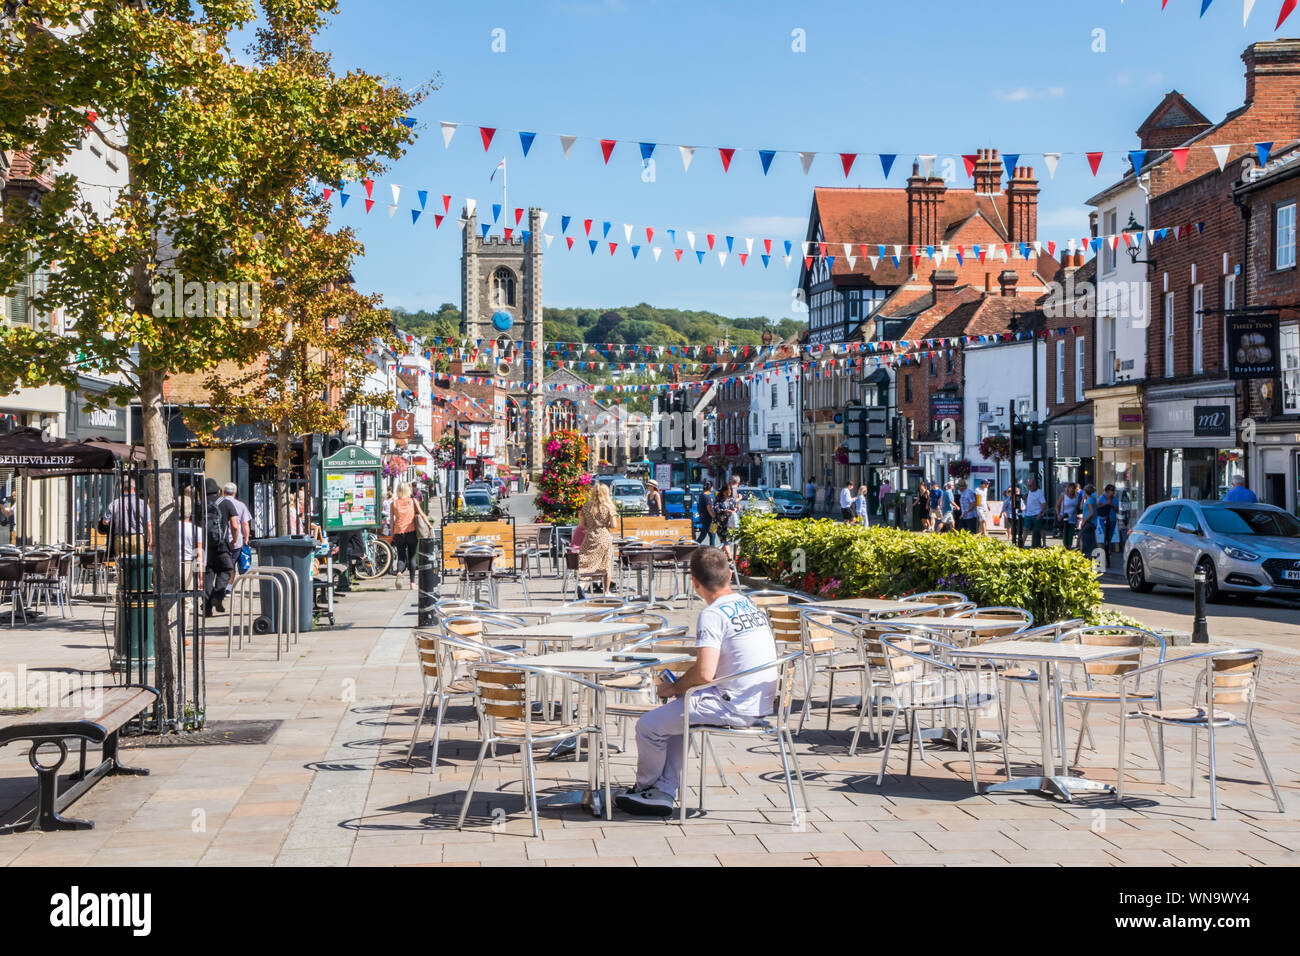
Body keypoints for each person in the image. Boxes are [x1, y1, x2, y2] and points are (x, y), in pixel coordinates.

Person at [615, 547, 778, 817]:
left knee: (648, 726)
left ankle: (646, 787)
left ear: (694, 583)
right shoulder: (749, 604)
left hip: (733, 706)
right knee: (681, 712)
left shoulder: (713, 614)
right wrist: (682, 690)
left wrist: (673, 686)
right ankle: (664, 790)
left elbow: (704, 673)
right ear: (728, 575)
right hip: (759, 702)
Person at [202, 478, 238, 616]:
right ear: (219, 490)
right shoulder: (226, 503)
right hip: (222, 545)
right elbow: (234, 526)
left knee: (208, 574)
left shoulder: (199, 504)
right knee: (227, 569)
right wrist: (234, 541)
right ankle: (217, 596)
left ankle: (206, 607)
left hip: (204, 546)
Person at [576, 482, 617, 598]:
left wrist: (591, 526)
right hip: (604, 536)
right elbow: (614, 525)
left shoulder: (587, 506)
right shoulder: (609, 507)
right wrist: (604, 524)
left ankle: (582, 583)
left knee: (586, 562)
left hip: (589, 536)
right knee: (606, 564)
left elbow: (581, 525)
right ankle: (606, 591)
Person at [100, 476, 153, 557]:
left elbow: (105, 521)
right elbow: (149, 524)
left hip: (120, 538)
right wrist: (150, 539)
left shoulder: (115, 503)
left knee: (122, 566)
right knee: (138, 566)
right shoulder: (141, 503)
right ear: (134, 488)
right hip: (137, 538)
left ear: (122, 489)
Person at [390, 482, 424, 590]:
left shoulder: (394, 503)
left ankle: (399, 572)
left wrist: (392, 534)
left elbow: (391, 521)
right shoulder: (412, 501)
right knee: (412, 557)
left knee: (401, 557)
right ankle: (412, 583)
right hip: (411, 532)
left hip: (399, 532)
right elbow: (422, 514)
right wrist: (429, 525)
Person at [222, 482, 252, 574]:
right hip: (236, 541)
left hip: (222, 539)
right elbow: (245, 524)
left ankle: (223, 585)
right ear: (235, 493)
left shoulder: (219, 504)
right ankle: (229, 587)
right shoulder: (241, 505)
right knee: (232, 566)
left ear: (224, 492)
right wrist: (246, 539)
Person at [715, 483, 738, 554]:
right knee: (724, 541)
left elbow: (737, 507)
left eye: (730, 492)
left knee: (726, 542)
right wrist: (726, 511)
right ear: (723, 492)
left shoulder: (732, 500)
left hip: (730, 525)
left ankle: (722, 557)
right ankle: (729, 557)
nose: (728, 493)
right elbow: (717, 509)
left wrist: (735, 510)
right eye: (727, 492)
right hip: (720, 525)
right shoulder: (718, 500)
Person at [1023, 476, 1046, 548]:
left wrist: (1040, 513)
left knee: (1039, 529)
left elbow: (1044, 503)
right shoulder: (1029, 492)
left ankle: (1044, 543)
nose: (1029, 487)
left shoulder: (1039, 493)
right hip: (1028, 514)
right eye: (1028, 486)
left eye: (1030, 485)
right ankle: (1022, 544)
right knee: (1025, 529)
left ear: (1034, 485)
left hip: (1036, 514)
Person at [1078, 483, 1099, 559]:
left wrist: (1084, 521)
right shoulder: (1089, 499)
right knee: (1090, 540)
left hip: (1089, 522)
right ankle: (1093, 557)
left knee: (1086, 541)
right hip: (1090, 522)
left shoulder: (1090, 500)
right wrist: (1083, 498)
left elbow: (1091, 512)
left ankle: (1087, 557)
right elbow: (1081, 507)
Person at [1058, 481, 1079, 550]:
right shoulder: (1063, 495)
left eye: (1073, 488)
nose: (1072, 490)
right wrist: (1058, 514)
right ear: (1068, 488)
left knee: (1071, 533)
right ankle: (1065, 546)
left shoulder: (1076, 496)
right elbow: (1057, 505)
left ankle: (1069, 547)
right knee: (1065, 533)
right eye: (1071, 488)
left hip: (1073, 517)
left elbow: (1078, 507)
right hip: (1064, 517)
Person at [696, 480, 716, 546]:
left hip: (704, 518)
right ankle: (694, 546)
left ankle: (712, 549)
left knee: (711, 535)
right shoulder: (707, 497)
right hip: (709, 519)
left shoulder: (702, 495)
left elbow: (699, 506)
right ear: (710, 487)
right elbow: (709, 508)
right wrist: (714, 516)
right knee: (707, 535)